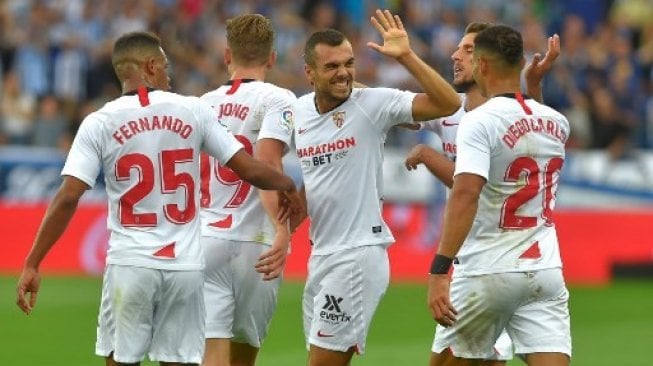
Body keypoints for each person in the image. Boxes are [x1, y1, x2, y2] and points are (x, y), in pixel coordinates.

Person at [15, 31, 299, 366]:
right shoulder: (192, 110)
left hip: (130, 263)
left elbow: (67, 198)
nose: (169, 73)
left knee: (121, 360)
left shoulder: (99, 121)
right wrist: (287, 184)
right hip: (184, 267)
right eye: (164, 66)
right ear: (149, 66)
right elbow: (249, 169)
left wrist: (33, 262)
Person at [294, 9, 460, 366]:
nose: (344, 73)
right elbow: (315, 178)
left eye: (348, 63)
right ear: (309, 73)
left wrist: (406, 56)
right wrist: (282, 229)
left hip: (357, 254)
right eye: (332, 66)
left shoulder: (373, 103)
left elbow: (449, 103)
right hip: (320, 254)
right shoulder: (299, 113)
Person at [403, 22, 560, 366]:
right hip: (545, 267)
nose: (459, 57)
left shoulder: (476, 121)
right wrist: (533, 87)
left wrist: (439, 271)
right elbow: (533, 141)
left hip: (487, 267)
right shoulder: (555, 120)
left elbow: (467, 193)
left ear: (483, 65)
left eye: (470, 52)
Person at [198, 14, 297, 366]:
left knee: (211, 353)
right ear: (272, 57)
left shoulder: (201, 104)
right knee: (242, 359)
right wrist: (283, 230)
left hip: (205, 239)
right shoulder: (278, 99)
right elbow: (268, 163)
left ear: (227, 55)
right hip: (254, 243)